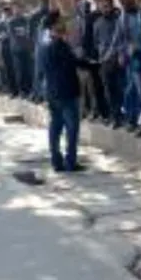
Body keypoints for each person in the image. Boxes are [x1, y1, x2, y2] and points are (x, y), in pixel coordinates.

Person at [44, 11, 97, 173]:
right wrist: (92, 65)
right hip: (66, 92)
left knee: (55, 127)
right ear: (54, 26)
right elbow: (72, 63)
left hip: (53, 92)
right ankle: (70, 162)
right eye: (61, 22)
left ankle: (56, 161)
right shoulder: (59, 45)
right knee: (71, 128)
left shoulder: (45, 44)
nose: (64, 24)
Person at [116, 0, 141, 133]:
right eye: (121, 0)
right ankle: (133, 119)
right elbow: (119, 39)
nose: (124, 2)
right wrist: (121, 54)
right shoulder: (122, 17)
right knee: (131, 90)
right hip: (132, 58)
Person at [94, 0, 124, 127]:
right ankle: (114, 116)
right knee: (108, 90)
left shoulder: (119, 20)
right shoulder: (97, 23)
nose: (105, 9)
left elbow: (122, 39)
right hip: (104, 61)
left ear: (112, 6)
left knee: (120, 88)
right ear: (99, 8)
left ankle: (123, 115)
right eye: (103, 6)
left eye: (108, 6)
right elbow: (96, 42)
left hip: (118, 60)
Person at [29, 0, 51, 102]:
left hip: (48, 47)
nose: (44, 3)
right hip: (38, 45)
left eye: (45, 0)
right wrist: (32, 48)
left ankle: (44, 95)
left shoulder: (51, 13)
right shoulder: (35, 15)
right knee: (38, 72)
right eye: (42, 1)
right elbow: (31, 33)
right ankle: (37, 94)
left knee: (46, 72)